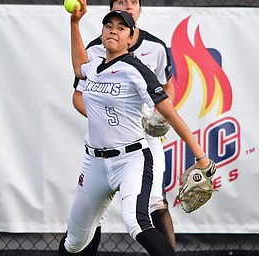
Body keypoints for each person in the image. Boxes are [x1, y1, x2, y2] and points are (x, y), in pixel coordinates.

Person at [58, 1, 212, 255]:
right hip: (94, 162)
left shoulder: (136, 70)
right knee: (74, 241)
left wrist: (201, 156)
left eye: (121, 28)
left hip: (131, 159)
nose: (113, 31)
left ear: (130, 38)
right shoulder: (94, 66)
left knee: (137, 222)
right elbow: (78, 66)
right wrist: (74, 24)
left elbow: (169, 113)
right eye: (108, 26)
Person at [72, 1, 176, 254]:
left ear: (139, 11)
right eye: (121, 1)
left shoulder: (156, 46)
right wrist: (107, 118)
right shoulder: (96, 51)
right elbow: (78, 93)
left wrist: (157, 120)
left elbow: (166, 92)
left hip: (145, 139)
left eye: (133, 2)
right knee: (90, 218)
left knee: (152, 203)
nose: (127, 5)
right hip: (106, 142)